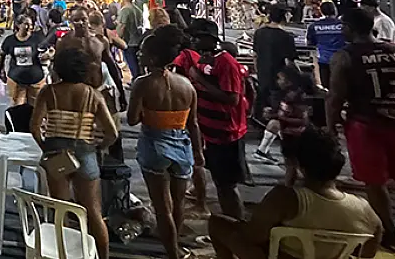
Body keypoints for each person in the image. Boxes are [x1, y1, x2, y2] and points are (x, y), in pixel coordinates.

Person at [326, 7, 395, 252]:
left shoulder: (346, 56)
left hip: (366, 125)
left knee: (375, 183)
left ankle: (389, 235)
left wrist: (331, 128)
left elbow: (334, 97)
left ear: (349, 29)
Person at [207, 127, 381, 259]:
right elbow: (371, 247)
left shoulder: (287, 198)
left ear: (300, 165)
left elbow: (253, 235)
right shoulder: (364, 208)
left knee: (218, 223)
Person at [30, 49, 118, 259]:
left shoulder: (48, 92)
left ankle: (63, 253)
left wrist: (47, 148)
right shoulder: (93, 95)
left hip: (56, 156)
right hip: (85, 155)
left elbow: (35, 127)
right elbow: (112, 132)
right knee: (93, 213)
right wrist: (98, 146)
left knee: (61, 210)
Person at [128, 33, 201, 259]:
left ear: (153, 56)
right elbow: (193, 124)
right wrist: (198, 153)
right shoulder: (187, 85)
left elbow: (132, 119)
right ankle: (175, 244)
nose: (139, 55)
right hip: (182, 145)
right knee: (177, 203)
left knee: (162, 206)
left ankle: (172, 253)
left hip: (154, 145)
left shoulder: (143, 83)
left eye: (143, 52)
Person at [188, 21, 248, 219]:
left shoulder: (226, 62)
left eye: (198, 36)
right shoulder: (206, 60)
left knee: (227, 186)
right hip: (211, 134)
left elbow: (232, 98)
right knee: (220, 183)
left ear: (211, 39)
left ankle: (237, 226)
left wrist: (199, 79)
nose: (194, 40)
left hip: (226, 134)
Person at [253, 66, 312, 186]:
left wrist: (278, 117)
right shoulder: (289, 95)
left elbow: (302, 120)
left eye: (281, 79)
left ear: (289, 81)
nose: (278, 81)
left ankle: (288, 186)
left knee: (291, 163)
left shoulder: (295, 97)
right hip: (289, 133)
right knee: (293, 163)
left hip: (294, 134)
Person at [250, 4, 297, 120]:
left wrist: (258, 71)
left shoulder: (259, 33)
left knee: (260, 107)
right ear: (284, 16)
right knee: (276, 111)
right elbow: (290, 62)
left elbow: (255, 56)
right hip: (278, 78)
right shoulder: (287, 37)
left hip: (262, 74)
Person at [1, 14, 46, 107]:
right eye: (26, 24)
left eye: (31, 24)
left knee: (35, 107)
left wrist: (47, 55)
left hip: (35, 80)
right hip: (17, 80)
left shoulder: (37, 39)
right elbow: (2, 54)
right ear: (18, 25)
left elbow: (46, 52)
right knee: (18, 107)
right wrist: (0, 70)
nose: (29, 27)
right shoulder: (10, 40)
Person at [305, 1, 344, 89]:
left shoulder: (314, 26)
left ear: (321, 11)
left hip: (324, 61)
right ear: (335, 10)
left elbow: (309, 43)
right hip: (341, 60)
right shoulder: (343, 24)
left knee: (327, 88)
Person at [117, 0, 145, 78]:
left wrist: (118, 38)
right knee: (138, 63)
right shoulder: (138, 10)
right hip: (138, 39)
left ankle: (135, 81)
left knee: (132, 63)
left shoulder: (125, 10)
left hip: (129, 41)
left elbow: (122, 26)